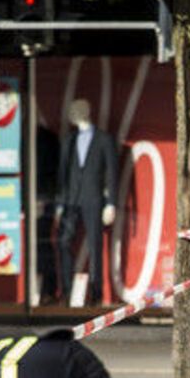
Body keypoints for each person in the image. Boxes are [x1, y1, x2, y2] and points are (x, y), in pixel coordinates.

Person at [57, 99, 117, 306]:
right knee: (64, 241)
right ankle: (67, 289)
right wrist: (60, 202)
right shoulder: (69, 140)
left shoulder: (104, 140)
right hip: (71, 200)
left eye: (76, 109)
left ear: (86, 111)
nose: (72, 113)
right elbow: (63, 174)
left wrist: (111, 202)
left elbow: (111, 173)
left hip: (94, 199)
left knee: (95, 244)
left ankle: (96, 290)